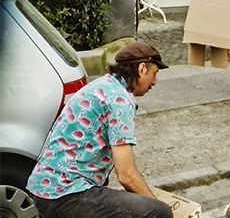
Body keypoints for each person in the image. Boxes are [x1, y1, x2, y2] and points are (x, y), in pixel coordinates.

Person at [26, 40, 173, 218]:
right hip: (65, 193)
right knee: (159, 212)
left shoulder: (103, 84)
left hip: (45, 188)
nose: (154, 82)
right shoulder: (119, 100)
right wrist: (156, 203)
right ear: (142, 69)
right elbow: (127, 175)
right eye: (154, 74)